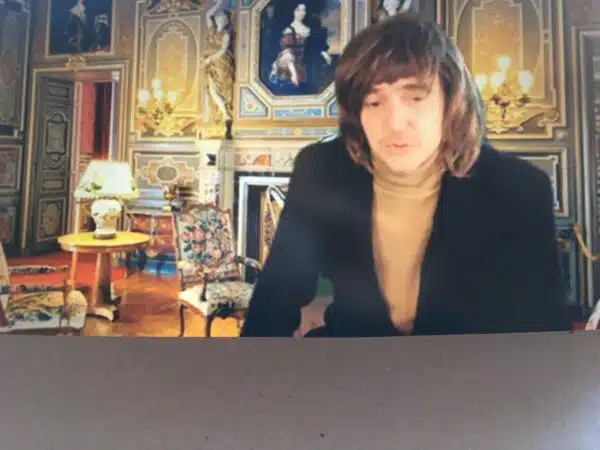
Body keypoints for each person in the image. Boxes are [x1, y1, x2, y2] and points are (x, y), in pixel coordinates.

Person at [240, 13, 570, 338]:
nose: (395, 123)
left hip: (471, 368)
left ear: (451, 101)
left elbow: (543, 333)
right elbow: (276, 299)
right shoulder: (321, 170)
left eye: (415, 98)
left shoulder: (518, 188)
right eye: (374, 102)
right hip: (353, 361)